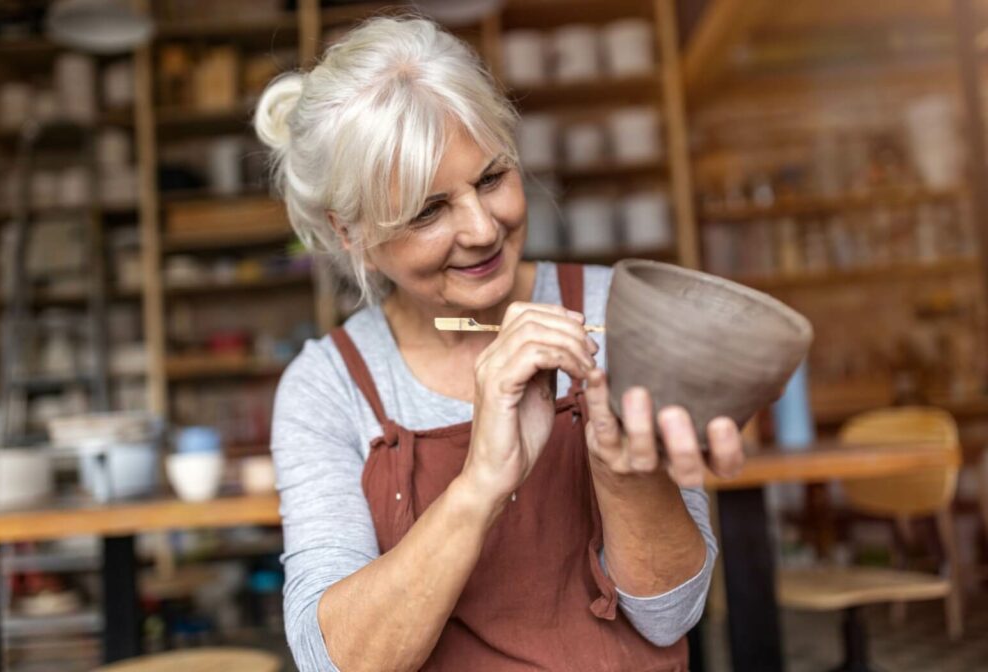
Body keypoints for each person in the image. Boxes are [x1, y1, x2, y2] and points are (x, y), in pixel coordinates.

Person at [255, 15, 744, 672]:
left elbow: (669, 617)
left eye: (491, 179)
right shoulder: (327, 387)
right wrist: (483, 481)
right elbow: (334, 662)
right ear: (351, 233)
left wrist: (629, 479)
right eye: (428, 212)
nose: (484, 229)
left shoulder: (618, 314)